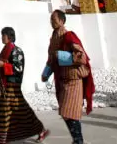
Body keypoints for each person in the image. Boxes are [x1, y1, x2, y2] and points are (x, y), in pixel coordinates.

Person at [43, 10, 93, 144]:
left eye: (54, 20)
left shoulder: (69, 36)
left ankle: (78, 141)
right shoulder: (53, 39)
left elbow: (81, 57)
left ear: (62, 21)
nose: (52, 22)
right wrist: (46, 73)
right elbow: (51, 59)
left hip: (74, 80)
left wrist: (60, 55)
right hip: (62, 80)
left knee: (69, 112)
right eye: (51, 20)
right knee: (66, 113)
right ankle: (77, 140)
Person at [0, 26, 49, 143]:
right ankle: (4, 138)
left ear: (9, 37)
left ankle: (3, 139)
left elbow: (18, 68)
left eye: (3, 35)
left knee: (18, 111)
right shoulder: (5, 49)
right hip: (4, 87)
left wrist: (3, 65)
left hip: (12, 88)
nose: (2, 37)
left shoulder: (16, 51)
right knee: (10, 112)